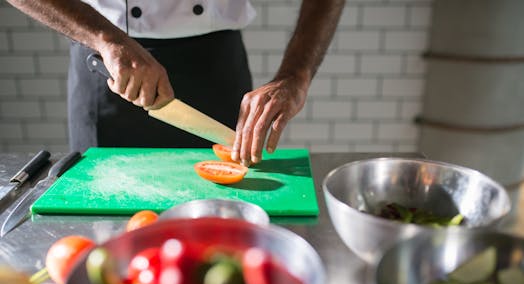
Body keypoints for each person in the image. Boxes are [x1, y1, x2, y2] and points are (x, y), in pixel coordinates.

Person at [6, 0, 345, 166]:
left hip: (217, 67)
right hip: (108, 65)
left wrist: (295, 74)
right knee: (106, 233)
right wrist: (105, 38)